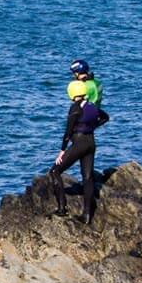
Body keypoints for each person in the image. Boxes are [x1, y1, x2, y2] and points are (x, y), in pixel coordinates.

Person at [49, 80, 109, 224]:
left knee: (54, 172)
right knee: (87, 177)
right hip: (91, 143)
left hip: (79, 143)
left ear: (72, 93)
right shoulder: (91, 106)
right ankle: (87, 215)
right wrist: (92, 127)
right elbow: (105, 117)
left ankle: (62, 209)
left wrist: (62, 151)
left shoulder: (75, 108)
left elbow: (68, 132)